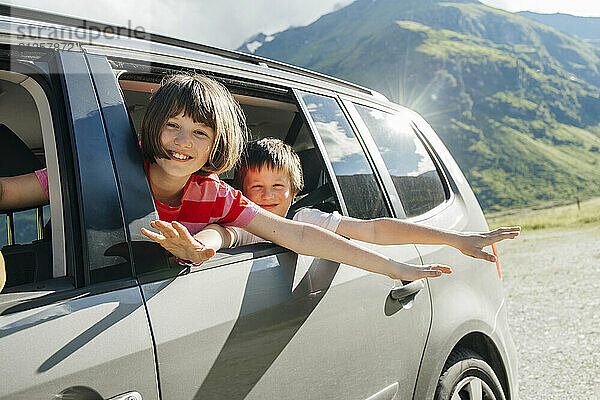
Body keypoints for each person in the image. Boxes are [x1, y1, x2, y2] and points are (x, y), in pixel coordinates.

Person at [0, 74, 451, 283]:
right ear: (153, 126)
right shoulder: (105, 168)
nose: (182, 141)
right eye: (172, 125)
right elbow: (9, 191)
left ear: (215, 147)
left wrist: (395, 267)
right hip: (58, 268)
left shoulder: (215, 195)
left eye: (200, 133)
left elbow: (299, 234)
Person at [196, 138, 520, 263]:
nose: (267, 196)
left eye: (278, 185)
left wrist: (455, 238)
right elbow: (224, 233)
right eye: (257, 187)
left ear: (294, 190)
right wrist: (199, 245)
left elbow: (375, 231)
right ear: (241, 193)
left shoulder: (304, 219)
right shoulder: (244, 223)